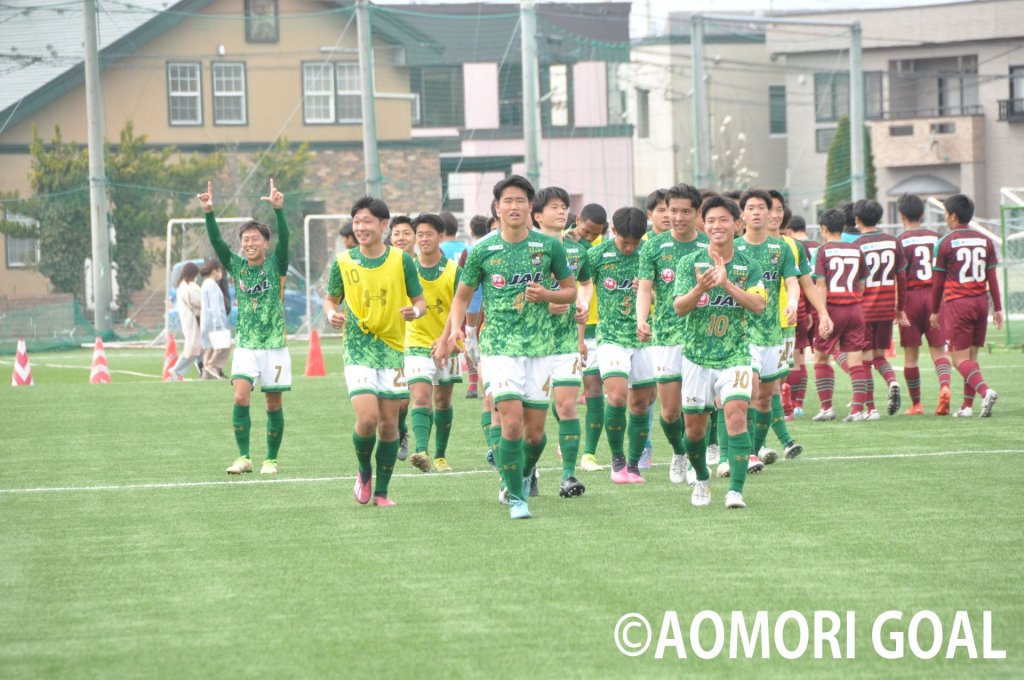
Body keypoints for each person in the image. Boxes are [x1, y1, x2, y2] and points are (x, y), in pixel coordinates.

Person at [437, 175, 576, 520]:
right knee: (511, 425)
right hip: (498, 348)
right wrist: (455, 329)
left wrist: (546, 295)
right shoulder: (484, 249)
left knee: (536, 436)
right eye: (507, 201)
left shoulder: (549, 247)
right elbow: (462, 297)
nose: (514, 207)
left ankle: (523, 472)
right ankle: (516, 497)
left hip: (541, 348)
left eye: (520, 201)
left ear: (531, 207)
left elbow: (570, 291)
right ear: (497, 208)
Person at [324, 196, 426, 507]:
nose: (361, 227)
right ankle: (363, 473)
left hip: (393, 350)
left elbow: (419, 300)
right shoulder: (343, 261)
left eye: (367, 221)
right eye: (357, 222)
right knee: (367, 419)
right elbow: (331, 300)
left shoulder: (401, 260)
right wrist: (331, 315)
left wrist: (416, 312)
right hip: (358, 349)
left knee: (389, 425)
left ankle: (382, 492)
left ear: (384, 225)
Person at [673, 195, 767, 509]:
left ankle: (735, 491)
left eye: (724, 220)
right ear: (704, 224)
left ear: (736, 224)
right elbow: (679, 308)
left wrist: (727, 284)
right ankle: (701, 477)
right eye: (711, 220)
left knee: (737, 416)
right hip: (697, 356)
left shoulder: (749, 266)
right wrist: (700, 288)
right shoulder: (689, 263)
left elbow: (758, 306)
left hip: (735, 355)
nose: (717, 226)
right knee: (694, 430)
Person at [198, 179, 289, 475]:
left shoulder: (276, 264)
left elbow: (285, 240)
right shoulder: (236, 266)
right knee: (240, 396)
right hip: (247, 344)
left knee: (273, 405)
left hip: (274, 344)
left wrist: (279, 212)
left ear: (265, 243)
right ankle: (244, 456)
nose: (249, 244)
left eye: (255, 239)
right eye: (245, 240)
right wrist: (209, 212)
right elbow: (217, 243)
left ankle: (271, 459)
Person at [636, 183, 708, 484]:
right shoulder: (652, 246)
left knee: (698, 409)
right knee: (669, 413)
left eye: (684, 211)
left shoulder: (708, 245)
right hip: (665, 336)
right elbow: (645, 287)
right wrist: (642, 319)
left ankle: (696, 460)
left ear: (696, 213)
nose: (677, 217)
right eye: (671, 210)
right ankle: (679, 453)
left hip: (702, 337)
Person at [584, 207, 654, 484]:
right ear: (613, 232)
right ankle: (617, 460)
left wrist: (650, 292)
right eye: (626, 242)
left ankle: (634, 465)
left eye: (635, 243)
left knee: (641, 404)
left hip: (645, 337)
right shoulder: (596, 256)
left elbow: (665, 293)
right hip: (611, 337)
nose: (630, 247)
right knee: (616, 397)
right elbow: (586, 286)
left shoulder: (649, 254)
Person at [733, 189, 801, 474]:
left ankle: (754, 450)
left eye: (763, 207)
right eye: (752, 207)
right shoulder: (734, 248)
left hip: (772, 332)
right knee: (751, 389)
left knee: (767, 395)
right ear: (743, 214)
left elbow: (792, 281)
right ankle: (746, 453)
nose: (759, 212)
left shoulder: (781, 248)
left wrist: (794, 302)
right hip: (743, 332)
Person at [532, 186, 592, 498]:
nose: (562, 211)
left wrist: (580, 305)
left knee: (568, 405)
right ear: (537, 215)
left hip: (566, 341)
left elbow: (584, 283)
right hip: (530, 344)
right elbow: (506, 294)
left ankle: (569, 475)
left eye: (564, 206)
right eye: (554, 207)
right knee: (533, 417)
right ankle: (528, 471)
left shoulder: (577, 251)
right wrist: (547, 302)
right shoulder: (525, 248)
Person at [931, 193, 1002, 417]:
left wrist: (934, 311)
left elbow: (938, 283)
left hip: (958, 304)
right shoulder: (986, 241)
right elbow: (992, 278)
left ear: (953, 216)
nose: (944, 218)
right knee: (971, 357)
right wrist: (998, 308)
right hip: (981, 302)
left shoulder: (945, 243)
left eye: (945, 214)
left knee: (958, 358)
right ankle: (967, 406)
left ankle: (985, 391)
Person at [404, 213, 461, 473]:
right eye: (419, 235)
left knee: (443, 401)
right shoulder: (407, 269)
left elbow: (457, 308)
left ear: (441, 236)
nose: (423, 239)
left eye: (428, 234)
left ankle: (440, 455)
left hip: (447, 342)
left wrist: (446, 340)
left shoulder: (454, 271)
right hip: (415, 341)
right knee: (421, 397)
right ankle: (421, 451)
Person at [895, 193, 953, 415]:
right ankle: (945, 387)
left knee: (911, 355)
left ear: (901, 215)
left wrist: (898, 307)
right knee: (939, 351)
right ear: (922, 213)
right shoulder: (937, 238)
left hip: (910, 297)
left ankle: (916, 404)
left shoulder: (899, 241)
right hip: (934, 296)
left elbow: (898, 276)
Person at [812, 208, 870, 422]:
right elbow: (862, 284)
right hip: (855, 308)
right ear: (843, 227)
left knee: (821, 356)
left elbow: (820, 284)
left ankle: (826, 407)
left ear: (823, 228)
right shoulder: (856, 249)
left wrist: (823, 314)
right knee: (856, 360)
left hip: (834, 309)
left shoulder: (823, 250)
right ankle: (857, 410)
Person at [854, 199, 908, 418]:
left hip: (865, 309)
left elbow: (855, 281)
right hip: (887, 308)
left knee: (865, 359)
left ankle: (871, 408)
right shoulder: (894, 242)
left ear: (857, 220)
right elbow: (902, 279)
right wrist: (900, 308)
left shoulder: (856, 245)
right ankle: (892, 380)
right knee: (879, 356)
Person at [567, 203, 609, 472]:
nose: (590, 237)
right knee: (565, 395)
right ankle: (565, 433)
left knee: (595, 389)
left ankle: (589, 454)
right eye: (586, 230)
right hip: (567, 330)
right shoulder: (560, 243)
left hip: (598, 328)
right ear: (578, 219)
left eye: (595, 234)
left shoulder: (603, 247)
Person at [783, 216, 820, 416]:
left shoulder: (793, 247)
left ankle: (788, 402)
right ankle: (797, 404)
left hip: (794, 308)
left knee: (788, 360)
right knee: (798, 359)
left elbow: (805, 283)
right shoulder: (814, 246)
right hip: (803, 308)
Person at [387, 214, 415, 460]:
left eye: (406, 233)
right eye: (396, 233)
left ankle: (401, 430)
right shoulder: (382, 263)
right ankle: (398, 431)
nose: (401, 237)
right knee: (396, 399)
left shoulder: (424, 263)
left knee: (407, 400)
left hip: (419, 338)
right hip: (390, 338)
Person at [170, 262, 203, 379]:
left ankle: (203, 371)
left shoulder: (182, 286)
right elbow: (199, 301)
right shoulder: (188, 287)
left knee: (198, 347)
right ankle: (176, 370)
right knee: (193, 347)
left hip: (191, 320)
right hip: (193, 320)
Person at [199, 258, 230, 380]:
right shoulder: (212, 286)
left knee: (209, 348)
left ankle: (206, 375)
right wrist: (219, 324)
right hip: (214, 322)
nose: (221, 274)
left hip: (206, 322)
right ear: (215, 271)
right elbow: (215, 307)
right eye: (220, 271)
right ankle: (211, 365)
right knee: (223, 346)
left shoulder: (205, 284)